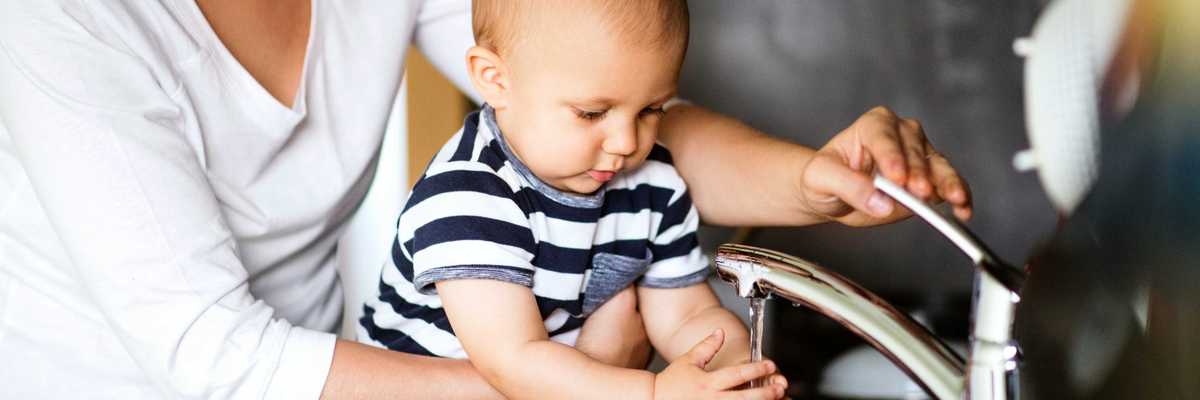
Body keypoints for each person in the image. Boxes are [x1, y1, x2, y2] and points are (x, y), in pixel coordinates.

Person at [0, 0, 971, 399]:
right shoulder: (64, 25)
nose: (626, 142)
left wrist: (815, 180)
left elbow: (607, 114)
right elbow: (217, 359)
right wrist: (603, 381)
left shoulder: (624, 154)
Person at [360, 1, 785, 398]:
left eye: (650, 110)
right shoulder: (468, 195)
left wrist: (736, 374)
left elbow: (686, 315)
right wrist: (652, 393)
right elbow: (515, 360)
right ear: (496, 80)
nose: (624, 142)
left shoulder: (652, 181)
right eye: (592, 113)